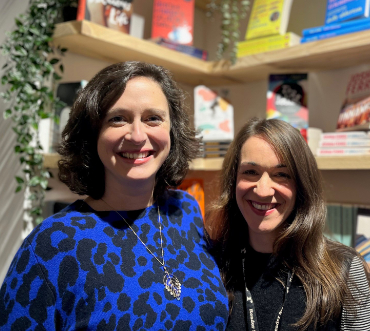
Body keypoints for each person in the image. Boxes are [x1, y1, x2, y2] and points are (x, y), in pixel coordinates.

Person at [0, 62, 228, 330]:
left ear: (172, 131)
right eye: (117, 118)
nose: (137, 135)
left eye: (152, 118)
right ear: (92, 134)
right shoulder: (51, 245)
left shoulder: (185, 211)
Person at [206, 118, 370, 331]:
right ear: (233, 181)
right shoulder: (210, 265)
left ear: (301, 186)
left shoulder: (344, 271)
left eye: (281, 175)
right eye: (251, 172)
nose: (263, 190)